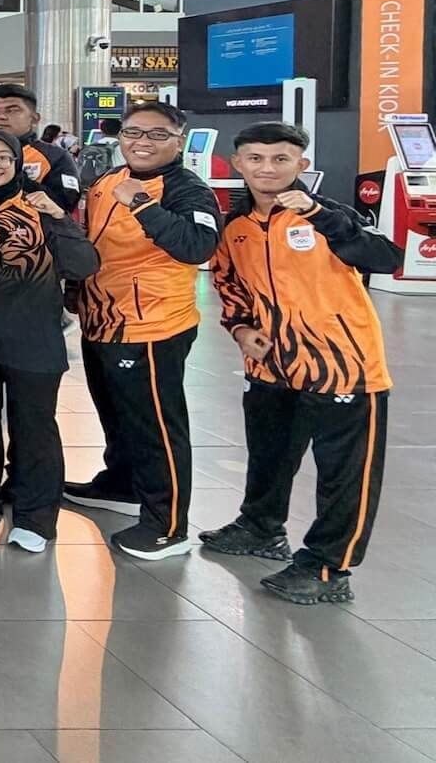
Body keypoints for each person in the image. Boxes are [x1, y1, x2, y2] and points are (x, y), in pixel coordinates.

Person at [203, 123, 399, 605]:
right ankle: (261, 527)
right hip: (271, 368)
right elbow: (230, 287)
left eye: (280, 159)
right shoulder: (236, 226)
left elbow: (384, 256)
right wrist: (242, 330)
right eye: (255, 159)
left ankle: (329, 567)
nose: (266, 168)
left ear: (301, 165)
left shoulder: (329, 215)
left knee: (343, 473)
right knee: (269, 455)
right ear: (239, 163)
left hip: (343, 366)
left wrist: (320, 216)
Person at [66, 101, 221, 560]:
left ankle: (167, 523)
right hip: (101, 321)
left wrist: (142, 204)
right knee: (116, 413)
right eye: (134, 133)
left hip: (152, 325)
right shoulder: (107, 182)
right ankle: (121, 482)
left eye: (156, 135)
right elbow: (90, 244)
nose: (142, 142)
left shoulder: (187, 190)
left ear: (179, 140)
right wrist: (76, 290)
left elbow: (196, 246)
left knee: (157, 426)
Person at [0, 130, 100, 554]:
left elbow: (83, 263)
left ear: (18, 162)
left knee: (33, 428)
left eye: (2, 158)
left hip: (32, 338)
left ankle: (36, 517)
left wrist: (58, 218)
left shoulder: (37, 204)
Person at [0, 83, 81, 214]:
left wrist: (17, 178)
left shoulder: (55, 157)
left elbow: (65, 205)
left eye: (12, 110)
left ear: (34, 119)